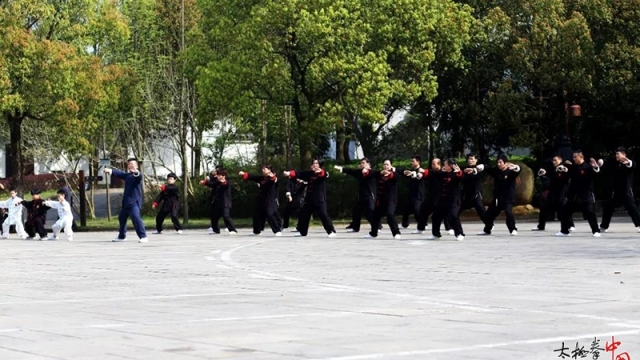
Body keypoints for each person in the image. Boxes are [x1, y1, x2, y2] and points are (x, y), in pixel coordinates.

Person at [284, 159, 337, 237]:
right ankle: (302, 231)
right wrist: (289, 173)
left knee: (323, 215)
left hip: (319, 199)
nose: (314, 165)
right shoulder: (309, 173)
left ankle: (331, 231)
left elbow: (324, 175)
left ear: (319, 165)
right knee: (304, 214)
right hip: (309, 198)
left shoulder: (323, 173)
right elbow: (299, 173)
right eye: (313, 163)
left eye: (316, 163)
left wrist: (320, 171)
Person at [556, 150, 601, 237]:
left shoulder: (588, 167)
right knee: (565, 212)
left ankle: (596, 231)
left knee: (590, 213)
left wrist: (596, 168)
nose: (574, 159)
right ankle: (564, 231)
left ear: (581, 157)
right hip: (574, 196)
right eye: (573, 157)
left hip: (586, 195)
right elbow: (567, 173)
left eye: (575, 157)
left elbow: (595, 173)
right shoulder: (573, 167)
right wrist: (563, 169)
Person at [103, 158, 148, 243]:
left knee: (136, 218)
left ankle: (143, 236)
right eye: (129, 164)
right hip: (126, 203)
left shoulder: (137, 175)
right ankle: (122, 236)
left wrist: (136, 172)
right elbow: (120, 173)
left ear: (137, 166)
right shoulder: (127, 176)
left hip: (134, 203)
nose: (130, 165)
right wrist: (110, 170)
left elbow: (139, 176)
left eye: (132, 164)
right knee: (122, 218)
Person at [476, 155, 521, 236]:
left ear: (505, 163)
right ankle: (487, 230)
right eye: (498, 162)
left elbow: (517, 171)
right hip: (498, 198)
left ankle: (513, 229)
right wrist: (482, 166)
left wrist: (516, 167)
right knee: (489, 214)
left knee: (508, 212)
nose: (499, 164)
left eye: (500, 162)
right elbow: (489, 169)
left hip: (508, 198)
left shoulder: (511, 172)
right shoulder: (497, 172)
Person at [599, 147, 640, 233]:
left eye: (618, 154)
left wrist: (628, 162)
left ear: (624, 154)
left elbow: (632, 165)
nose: (616, 155)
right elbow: (606, 162)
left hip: (626, 191)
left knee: (632, 209)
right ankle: (604, 226)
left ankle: (639, 224)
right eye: (616, 154)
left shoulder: (629, 163)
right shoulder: (614, 163)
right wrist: (601, 162)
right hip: (616, 192)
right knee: (608, 208)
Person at [423, 159, 465, 241]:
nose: (444, 166)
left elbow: (461, 177)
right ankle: (436, 234)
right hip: (443, 200)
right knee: (436, 216)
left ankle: (459, 233)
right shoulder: (442, 174)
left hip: (453, 200)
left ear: (450, 166)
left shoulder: (455, 174)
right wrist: (423, 171)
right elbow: (433, 173)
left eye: (445, 164)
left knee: (454, 216)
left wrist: (458, 172)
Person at [532, 155, 574, 231]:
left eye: (555, 160)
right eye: (553, 160)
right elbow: (548, 174)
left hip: (562, 192)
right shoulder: (552, 169)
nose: (554, 162)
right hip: (552, 192)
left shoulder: (564, 168)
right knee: (544, 208)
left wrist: (565, 169)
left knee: (563, 208)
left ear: (560, 160)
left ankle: (570, 225)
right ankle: (541, 226)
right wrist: (544, 173)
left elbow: (569, 173)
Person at [334, 158, 376, 233]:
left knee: (370, 211)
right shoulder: (359, 172)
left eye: (364, 163)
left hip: (370, 196)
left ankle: (377, 226)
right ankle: (355, 228)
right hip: (361, 196)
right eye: (361, 163)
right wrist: (341, 169)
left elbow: (374, 174)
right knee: (356, 211)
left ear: (368, 164)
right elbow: (351, 171)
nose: (362, 164)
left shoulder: (372, 172)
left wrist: (367, 171)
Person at [240, 165, 282, 236]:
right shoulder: (262, 178)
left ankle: (277, 230)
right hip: (260, 199)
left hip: (269, 200)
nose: (263, 170)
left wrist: (272, 176)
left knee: (269, 214)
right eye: (262, 169)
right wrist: (244, 174)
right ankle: (256, 231)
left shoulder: (272, 178)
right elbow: (253, 177)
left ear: (269, 170)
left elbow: (273, 181)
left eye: (264, 169)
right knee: (256, 215)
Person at [364, 159, 401, 239]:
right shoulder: (379, 174)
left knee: (390, 214)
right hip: (380, 200)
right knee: (375, 216)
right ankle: (373, 233)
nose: (386, 166)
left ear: (391, 166)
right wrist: (366, 171)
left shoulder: (394, 174)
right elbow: (372, 173)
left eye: (387, 164)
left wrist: (389, 174)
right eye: (384, 164)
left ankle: (396, 233)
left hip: (391, 200)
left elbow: (395, 177)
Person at [417, 158, 452, 235]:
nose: (432, 165)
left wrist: (425, 171)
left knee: (444, 213)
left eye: (434, 164)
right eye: (432, 164)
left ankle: (449, 228)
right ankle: (421, 228)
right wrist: (420, 175)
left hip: (441, 196)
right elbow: (428, 175)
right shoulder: (433, 172)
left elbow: (432, 173)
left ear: (439, 164)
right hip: (431, 195)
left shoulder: (443, 172)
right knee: (423, 209)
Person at [200, 169, 238, 235]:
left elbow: (225, 185)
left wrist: (222, 182)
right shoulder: (217, 183)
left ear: (223, 176)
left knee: (226, 216)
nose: (217, 176)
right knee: (214, 216)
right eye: (217, 175)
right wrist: (204, 182)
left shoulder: (227, 182)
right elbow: (211, 184)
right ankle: (215, 230)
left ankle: (233, 230)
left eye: (219, 175)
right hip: (217, 203)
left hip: (225, 203)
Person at [399, 155, 426, 233]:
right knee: (406, 209)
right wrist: (407, 173)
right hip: (411, 193)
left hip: (418, 194)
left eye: (413, 161)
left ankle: (422, 225)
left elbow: (420, 176)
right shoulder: (411, 171)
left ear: (418, 162)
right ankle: (405, 224)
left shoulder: (421, 171)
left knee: (416, 210)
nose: (411, 162)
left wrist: (416, 175)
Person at [460, 153, 486, 222]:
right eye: (469, 159)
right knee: (457, 209)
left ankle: (489, 224)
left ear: (476, 160)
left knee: (481, 210)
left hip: (476, 193)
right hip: (467, 194)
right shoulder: (464, 169)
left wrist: (474, 171)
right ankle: (450, 226)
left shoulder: (479, 168)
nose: (470, 160)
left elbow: (479, 175)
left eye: (472, 159)